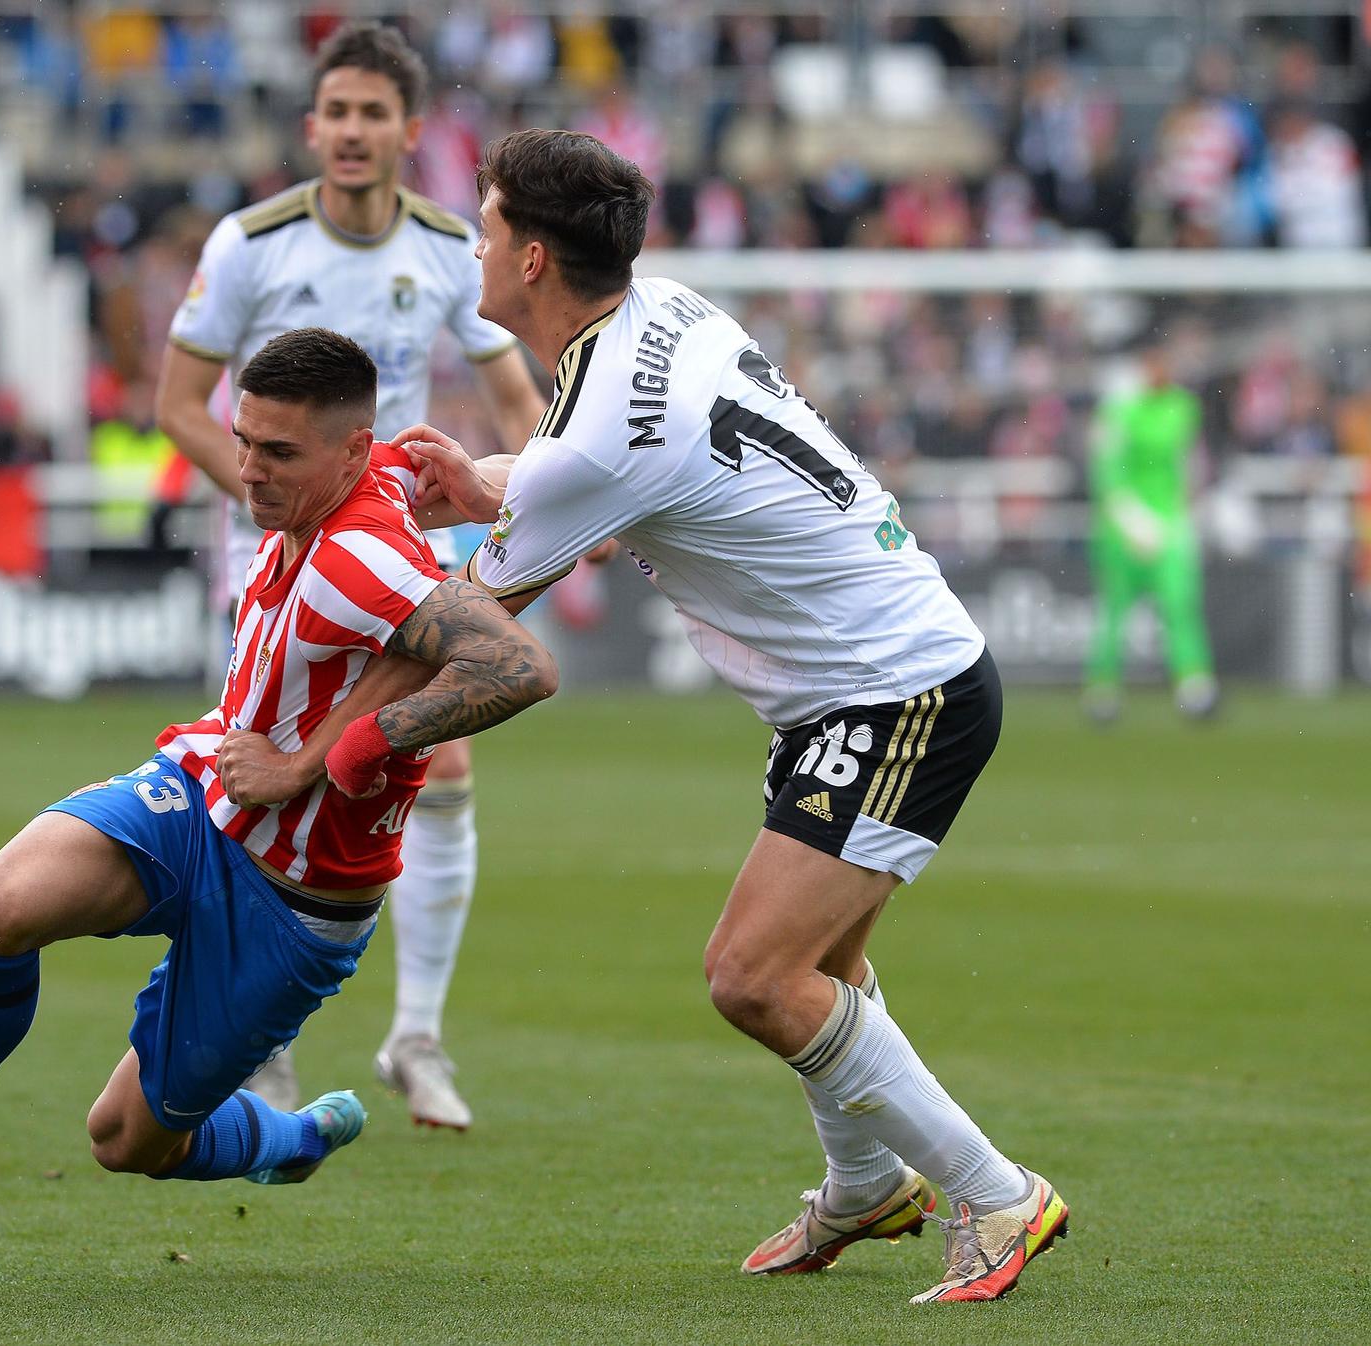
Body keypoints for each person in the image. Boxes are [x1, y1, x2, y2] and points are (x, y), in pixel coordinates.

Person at [399, 129, 1068, 1305]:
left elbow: (476, 611)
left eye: (489, 220)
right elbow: (610, 470)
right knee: (820, 960)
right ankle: (863, 1186)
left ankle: (993, 1189)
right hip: (864, 682)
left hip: (893, 689)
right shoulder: (666, 310)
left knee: (752, 974)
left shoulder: (594, 425)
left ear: (535, 258)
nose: (477, 242)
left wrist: (323, 642)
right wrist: (487, 479)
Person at [0, 328, 557, 1228]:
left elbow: (521, 669)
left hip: (296, 897)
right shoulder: (386, 469)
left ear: (349, 449)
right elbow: (549, 478)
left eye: (278, 453)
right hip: (206, 792)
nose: (247, 471)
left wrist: (334, 757)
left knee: (125, 1142)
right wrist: (487, 476)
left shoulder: (362, 562)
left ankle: (291, 1141)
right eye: (243, 440)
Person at [156, 22, 550, 1128]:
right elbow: (178, 404)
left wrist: (550, 488)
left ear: (408, 132)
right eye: (335, 111)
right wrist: (258, 496)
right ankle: (263, 1041)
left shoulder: (440, 248)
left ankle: (416, 1037)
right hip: (272, 553)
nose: (350, 131)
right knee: (261, 777)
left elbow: (519, 400)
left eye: (373, 113)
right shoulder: (251, 242)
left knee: (442, 761)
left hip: (382, 548)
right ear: (310, 126)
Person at [1085, 338, 1217, 720]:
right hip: (1122, 524)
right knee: (1114, 611)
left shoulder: (1182, 407)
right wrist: (1127, 516)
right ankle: (1102, 689)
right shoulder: (1121, 408)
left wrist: (1187, 513)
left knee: (1180, 604)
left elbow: (1191, 463)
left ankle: (1194, 685)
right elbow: (1105, 466)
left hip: (1170, 522)